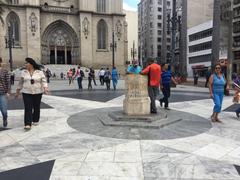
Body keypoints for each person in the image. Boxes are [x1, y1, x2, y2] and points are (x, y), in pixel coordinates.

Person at [16, 58, 49, 130]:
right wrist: (17, 91)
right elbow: (20, 83)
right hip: (26, 92)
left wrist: (45, 88)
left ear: (31, 64)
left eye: (26, 63)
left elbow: (44, 81)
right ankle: (27, 123)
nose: (25, 64)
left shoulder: (39, 72)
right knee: (28, 107)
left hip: (37, 92)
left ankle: (35, 119)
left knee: (36, 107)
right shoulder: (23, 72)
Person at [0, 57, 10, 128]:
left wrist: (8, 91)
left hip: (2, 93)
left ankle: (5, 118)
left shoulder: (4, 71)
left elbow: (8, 82)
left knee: (4, 110)